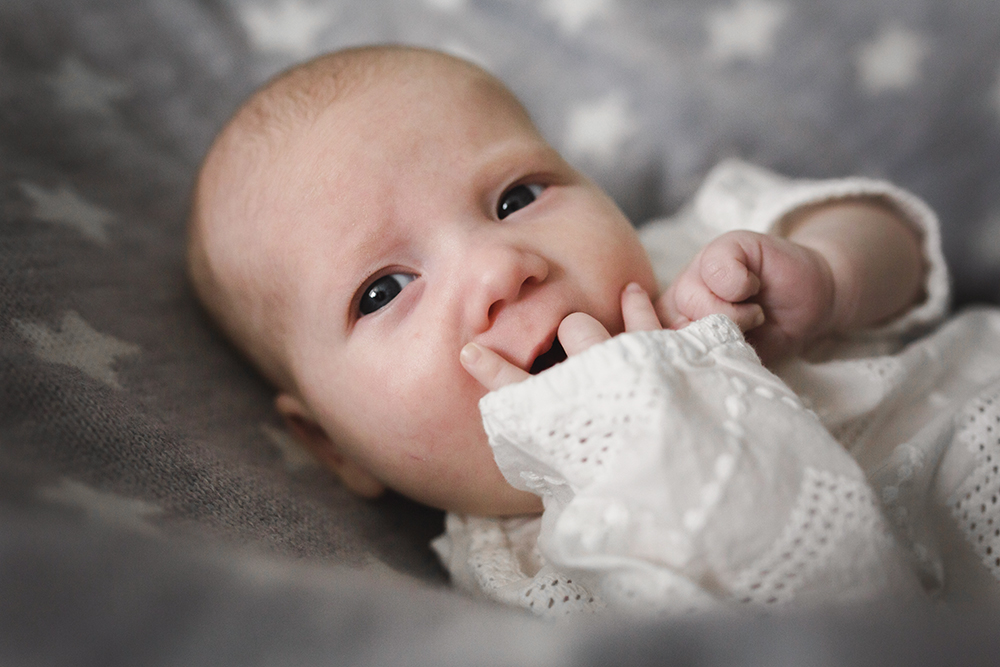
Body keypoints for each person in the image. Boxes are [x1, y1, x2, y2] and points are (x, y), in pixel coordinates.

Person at [187, 45, 1000, 616]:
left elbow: (888, 234)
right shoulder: (530, 573)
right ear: (334, 446)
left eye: (516, 198)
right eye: (384, 289)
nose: (501, 267)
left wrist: (826, 274)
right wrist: (627, 423)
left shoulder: (699, 259)